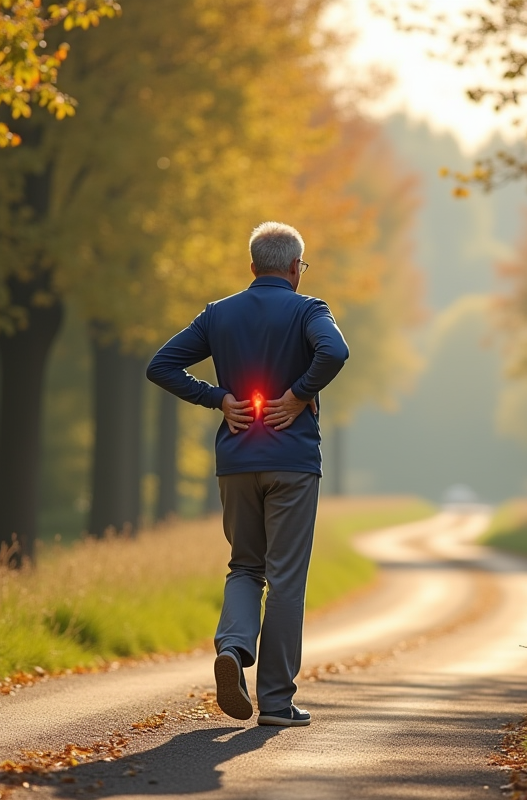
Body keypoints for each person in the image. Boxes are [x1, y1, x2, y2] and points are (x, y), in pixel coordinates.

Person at [146, 221, 349, 727]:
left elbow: (162, 365)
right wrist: (301, 395)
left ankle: (233, 650)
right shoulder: (309, 310)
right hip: (294, 463)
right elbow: (336, 351)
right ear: (295, 268)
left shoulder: (219, 314)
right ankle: (276, 704)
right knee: (285, 581)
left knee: (244, 567)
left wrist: (219, 399)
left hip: (237, 460)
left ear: (253, 266)